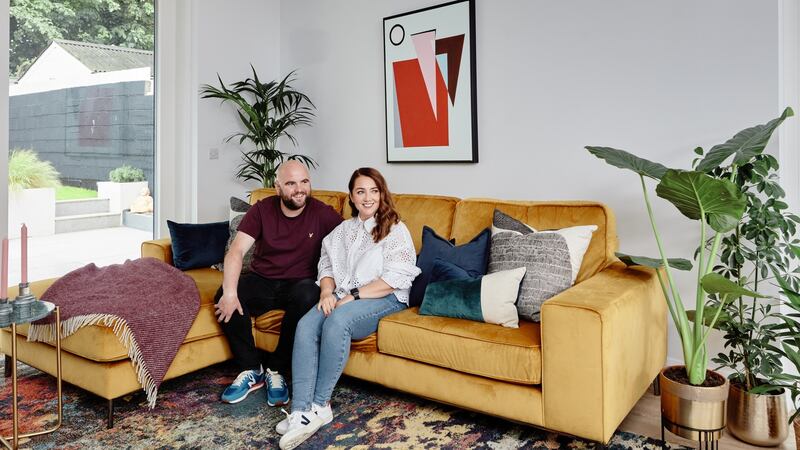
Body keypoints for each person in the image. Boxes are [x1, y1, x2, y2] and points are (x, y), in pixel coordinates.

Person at [277, 168, 421, 450]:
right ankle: (300, 410)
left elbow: (396, 277)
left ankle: (321, 405)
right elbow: (326, 265)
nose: (368, 198)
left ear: (382, 194)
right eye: (361, 191)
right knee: (306, 324)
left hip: (385, 298)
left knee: (337, 321)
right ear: (352, 198)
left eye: (374, 191)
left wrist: (353, 296)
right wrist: (328, 292)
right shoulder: (343, 230)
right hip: (344, 295)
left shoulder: (395, 229)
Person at [214, 160, 342, 406]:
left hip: (300, 285)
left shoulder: (322, 213)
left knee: (309, 293)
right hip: (263, 280)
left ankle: (276, 370)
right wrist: (230, 292)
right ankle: (251, 369)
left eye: (304, 182)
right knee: (225, 291)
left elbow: (351, 239)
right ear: (278, 187)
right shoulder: (262, 209)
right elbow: (236, 251)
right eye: (291, 183)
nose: (299, 189)